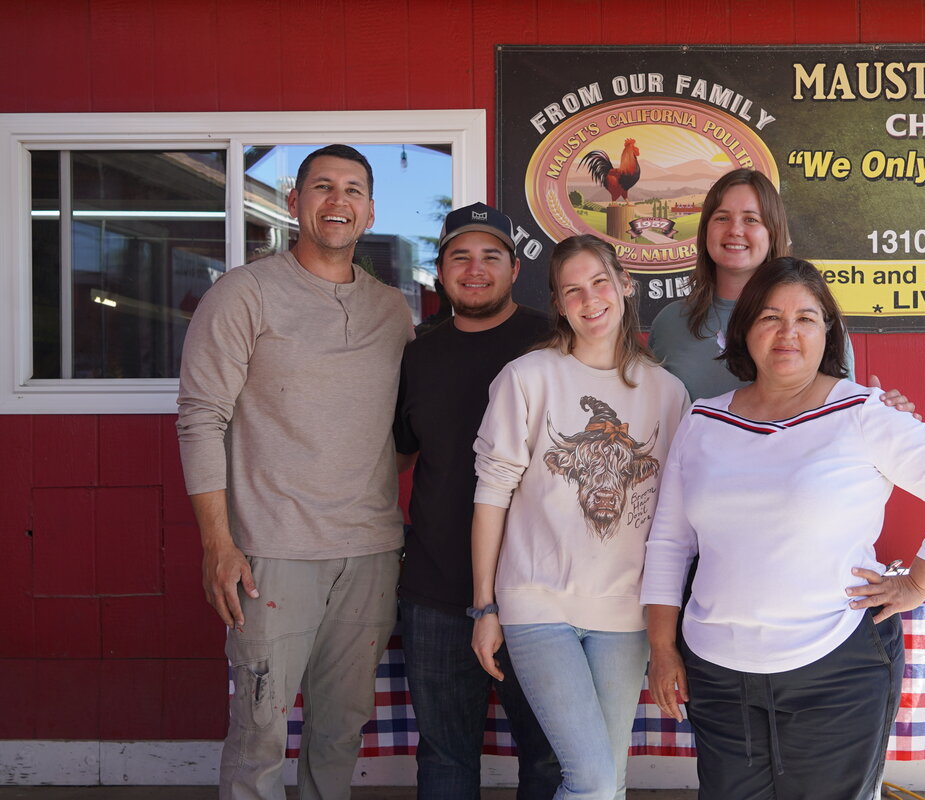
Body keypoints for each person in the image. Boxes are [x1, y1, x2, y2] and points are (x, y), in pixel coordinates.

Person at [641, 258, 925, 800]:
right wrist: (662, 646)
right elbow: (668, 542)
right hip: (717, 671)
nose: (788, 333)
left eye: (806, 318)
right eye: (770, 317)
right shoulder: (703, 421)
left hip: (836, 668)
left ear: (827, 331)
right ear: (744, 329)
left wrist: (916, 584)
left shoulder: (861, 413)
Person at [177, 144, 412, 800]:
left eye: (353, 190)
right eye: (322, 187)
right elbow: (200, 420)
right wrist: (218, 544)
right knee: (259, 733)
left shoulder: (393, 310)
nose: (338, 201)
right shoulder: (244, 294)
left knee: (340, 729)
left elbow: (401, 424)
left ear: (370, 210)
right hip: (272, 553)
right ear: (294, 203)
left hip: (370, 552)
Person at [470, 235, 689, 800]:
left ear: (624, 285)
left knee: (609, 781)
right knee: (589, 780)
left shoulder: (667, 393)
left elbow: (677, 515)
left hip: (626, 613)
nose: (590, 300)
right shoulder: (527, 378)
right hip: (537, 604)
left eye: (599, 283)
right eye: (573, 291)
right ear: (559, 303)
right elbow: (491, 495)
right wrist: (485, 605)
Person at [393, 201, 559, 799]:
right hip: (436, 589)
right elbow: (400, 455)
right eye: (460, 256)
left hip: (536, 590)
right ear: (440, 271)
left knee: (547, 758)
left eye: (491, 255)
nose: (475, 268)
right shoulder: (417, 353)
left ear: (515, 268)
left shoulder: (553, 342)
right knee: (444, 756)